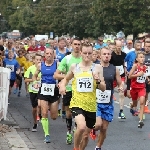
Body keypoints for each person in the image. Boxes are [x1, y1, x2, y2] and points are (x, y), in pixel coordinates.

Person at [59, 42, 106, 150]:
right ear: (81, 53)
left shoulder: (97, 68)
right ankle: (75, 148)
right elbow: (66, 79)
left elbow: (103, 88)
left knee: (85, 136)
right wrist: (62, 86)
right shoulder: (74, 67)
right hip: (77, 103)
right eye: (85, 53)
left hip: (91, 106)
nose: (87, 55)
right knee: (81, 127)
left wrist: (98, 80)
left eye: (90, 53)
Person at [90, 47, 123, 150]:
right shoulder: (95, 68)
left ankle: (98, 147)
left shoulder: (114, 69)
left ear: (111, 56)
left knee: (104, 128)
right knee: (98, 125)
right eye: (104, 54)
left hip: (108, 101)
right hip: (95, 101)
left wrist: (121, 87)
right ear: (100, 55)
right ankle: (92, 128)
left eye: (108, 54)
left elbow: (119, 82)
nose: (106, 56)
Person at [53, 38, 82, 144]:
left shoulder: (84, 59)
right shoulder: (67, 59)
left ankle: (76, 127)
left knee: (79, 112)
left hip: (81, 91)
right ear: (71, 45)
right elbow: (56, 74)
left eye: (79, 44)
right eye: (75, 44)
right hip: (69, 89)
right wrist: (67, 77)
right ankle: (69, 132)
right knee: (69, 113)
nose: (77, 46)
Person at [33, 48, 59, 143]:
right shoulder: (40, 65)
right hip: (43, 90)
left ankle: (48, 111)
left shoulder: (57, 64)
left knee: (54, 116)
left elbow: (63, 75)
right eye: (47, 53)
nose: (49, 55)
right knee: (44, 113)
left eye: (50, 53)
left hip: (54, 91)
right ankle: (47, 135)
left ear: (53, 55)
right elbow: (35, 75)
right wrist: (35, 82)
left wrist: (60, 83)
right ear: (44, 55)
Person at [129, 51, 146, 128]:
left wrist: (148, 79)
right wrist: (137, 75)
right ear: (137, 59)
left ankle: (140, 121)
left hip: (142, 87)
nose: (142, 59)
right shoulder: (135, 66)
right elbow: (129, 76)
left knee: (142, 102)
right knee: (135, 103)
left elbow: (145, 76)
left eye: (143, 57)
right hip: (134, 88)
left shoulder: (145, 67)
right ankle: (131, 106)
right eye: (140, 57)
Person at [24, 54, 42, 132]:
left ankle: (40, 115)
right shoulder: (30, 69)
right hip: (33, 90)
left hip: (41, 90)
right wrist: (34, 79)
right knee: (34, 108)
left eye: (40, 60)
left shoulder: (43, 68)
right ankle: (35, 123)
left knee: (40, 104)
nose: (38, 61)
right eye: (37, 59)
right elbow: (26, 80)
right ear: (34, 60)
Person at [109, 40, 126, 119]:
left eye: (120, 46)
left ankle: (121, 111)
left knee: (121, 92)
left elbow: (124, 63)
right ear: (115, 46)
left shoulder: (124, 54)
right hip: (113, 76)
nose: (119, 48)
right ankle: (109, 110)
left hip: (121, 75)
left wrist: (125, 70)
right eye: (118, 46)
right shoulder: (111, 55)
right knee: (109, 93)